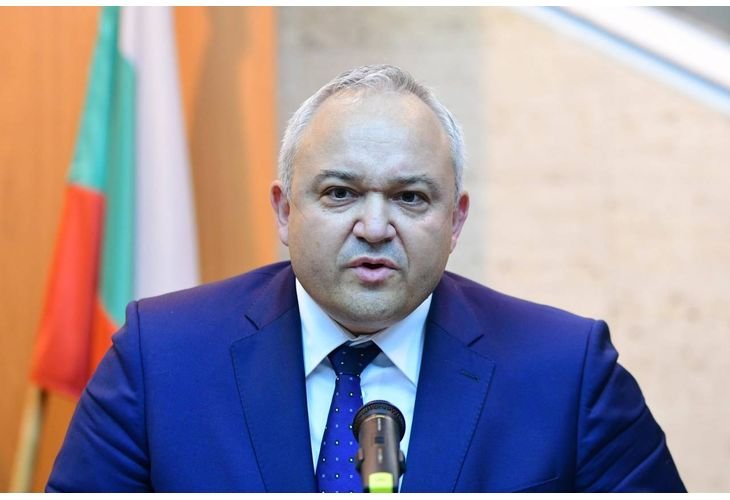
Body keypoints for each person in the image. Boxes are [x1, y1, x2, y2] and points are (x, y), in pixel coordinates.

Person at [46, 64, 685, 492]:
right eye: (340, 193)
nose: (375, 227)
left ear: (456, 220)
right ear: (284, 211)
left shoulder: (567, 371)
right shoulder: (161, 357)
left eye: (410, 198)